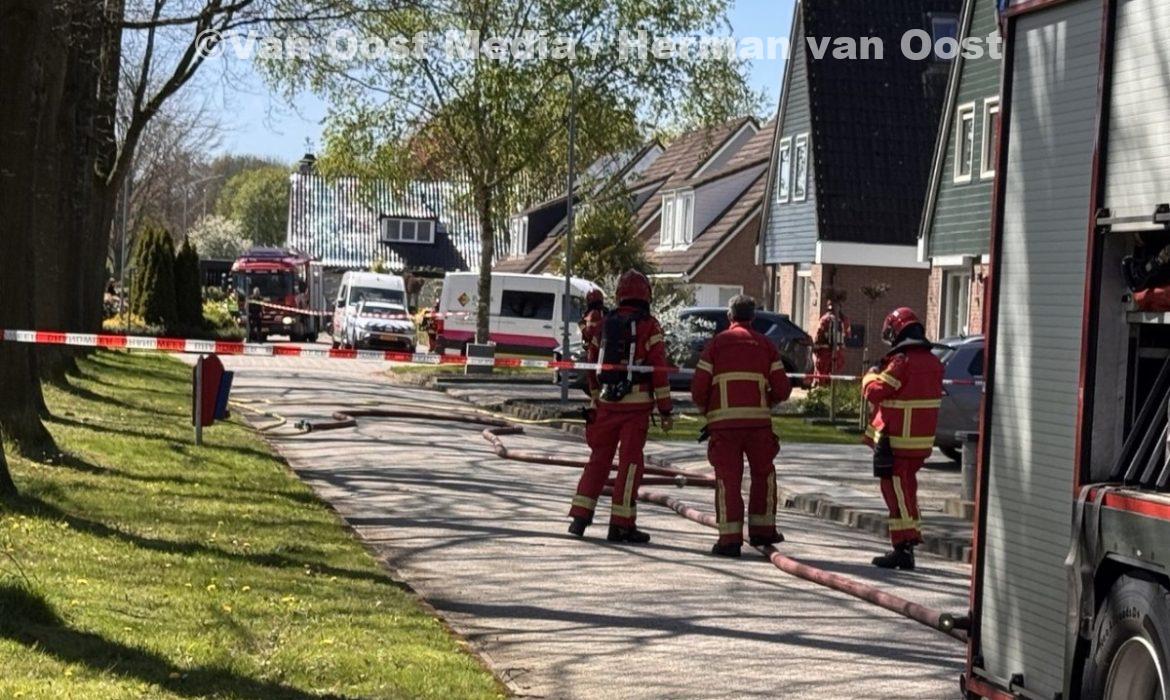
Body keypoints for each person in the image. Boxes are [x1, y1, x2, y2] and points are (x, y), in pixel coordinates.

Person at [568, 270, 673, 544]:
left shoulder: (605, 323)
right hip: (636, 406)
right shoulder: (650, 326)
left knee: (598, 460)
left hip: (605, 403)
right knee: (629, 465)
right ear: (646, 295)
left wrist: (595, 398)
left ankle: (580, 518)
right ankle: (621, 525)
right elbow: (658, 371)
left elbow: (592, 365)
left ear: (619, 295)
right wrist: (665, 409)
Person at [691, 295, 792, 557]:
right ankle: (763, 530)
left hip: (724, 426)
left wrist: (707, 411)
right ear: (753, 317)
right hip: (758, 425)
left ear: (729, 316)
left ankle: (729, 540)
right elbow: (782, 388)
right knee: (764, 475)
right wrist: (765, 401)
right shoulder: (766, 345)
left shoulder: (716, 345)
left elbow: (699, 387)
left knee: (728, 480)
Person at [862, 307, 944, 571]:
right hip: (918, 442)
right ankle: (907, 542)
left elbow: (876, 391)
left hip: (896, 441)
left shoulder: (902, 361)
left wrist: (870, 375)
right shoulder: (933, 361)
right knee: (907, 491)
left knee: (896, 493)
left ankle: (903, 548)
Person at [812, 297, 851, 387]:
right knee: (834, 377)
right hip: (839, 353)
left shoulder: (825, 319)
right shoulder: (845, 320)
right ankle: (832, 395)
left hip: (824, 352)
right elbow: (848, 336)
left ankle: (821, 396)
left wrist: (815, 347)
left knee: (822, 376)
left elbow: (819, 335)